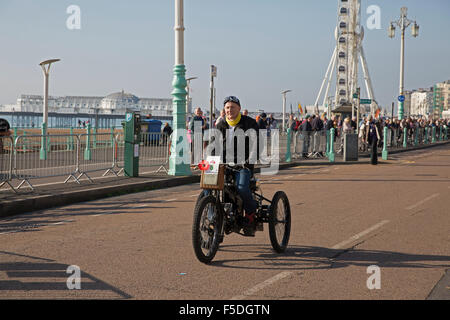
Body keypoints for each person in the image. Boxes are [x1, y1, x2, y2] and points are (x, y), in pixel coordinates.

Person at [215, 96, 259, 236]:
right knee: (208, 187)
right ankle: (211, 214)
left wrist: (249, 159)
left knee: (241, 188)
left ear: (239, 108)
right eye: (227, 107)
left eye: (232, 107)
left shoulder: (249, 123)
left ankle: (251, 215)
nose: (229, 110)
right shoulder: (221, 125)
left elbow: (256, 145)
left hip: (242, 165)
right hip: (224, 164)